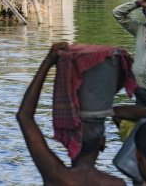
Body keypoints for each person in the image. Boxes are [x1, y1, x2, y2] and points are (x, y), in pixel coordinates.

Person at [16, 42, 125, 186]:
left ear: (69, 141)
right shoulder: (116, 184)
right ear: (102, 143)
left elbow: (25, 117)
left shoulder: (56, 175)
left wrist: (48, 62)